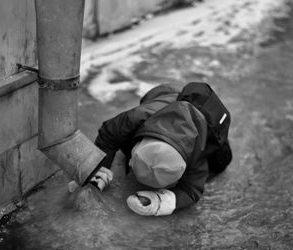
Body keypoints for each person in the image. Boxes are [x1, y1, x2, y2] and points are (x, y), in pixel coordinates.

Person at [90, 82, 232, 216]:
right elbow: (108, 133)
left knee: (220, 163)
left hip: (208, 124)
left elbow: (192, 190)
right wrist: (100, 168)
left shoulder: (197, 153)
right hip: (166, 94)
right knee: (122, 136)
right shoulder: (136, 117)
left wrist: (161, 201)